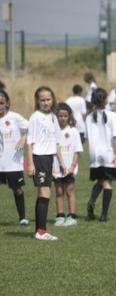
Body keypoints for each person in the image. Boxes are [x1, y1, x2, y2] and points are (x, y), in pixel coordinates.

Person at [26, 86, 65, 240]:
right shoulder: (35, 117)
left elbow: (56, 142)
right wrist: (30, 163)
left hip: (49, 159)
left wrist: (61, 162)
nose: (46, 102)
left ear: (53, 99)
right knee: (45, 193)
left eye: (48, 99)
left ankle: (39, 230)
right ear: (37, 101)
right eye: (42, 100)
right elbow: (29, 142)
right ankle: (41, 231)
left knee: (43, 193)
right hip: (39, 158)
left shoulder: (53, 117)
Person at [85, 88, 116, 222]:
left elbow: (88, 137)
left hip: (94, 154)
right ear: (106, 100)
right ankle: (104, 215)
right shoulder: (112, 115)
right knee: (108, 183)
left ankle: (92, 201)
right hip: (108, 153)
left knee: (100, 180)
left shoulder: (88, 117)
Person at [0, 89, 29, 226]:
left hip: (13, 162)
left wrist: (23, 137)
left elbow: (30, 127)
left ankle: (22, 218)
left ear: (6, 104)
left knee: (17, 189)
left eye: (1, 103)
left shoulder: (15, 117)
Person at [52, 103, 83, 227]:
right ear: (56, 117)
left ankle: (72, 216)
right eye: (60, 116)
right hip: (56, 168)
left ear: (69, 116)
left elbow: (77, 151)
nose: (62, 118)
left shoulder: (74, 131)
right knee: (59, 191)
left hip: (69, 168)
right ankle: (60, 216)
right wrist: (52, 168)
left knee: (69, 191)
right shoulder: (53, 132)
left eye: (65, 116)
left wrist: (72, 166)